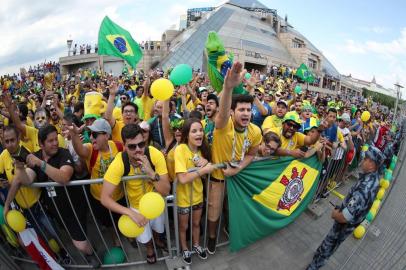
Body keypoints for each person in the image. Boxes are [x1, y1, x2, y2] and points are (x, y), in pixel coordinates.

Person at [13, 125, 99, 267]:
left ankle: (91, 253)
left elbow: (64, 177)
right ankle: (88, 248)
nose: (55, 143)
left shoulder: (63, 153)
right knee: (76, 237)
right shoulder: (37, 155)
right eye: (50, 141)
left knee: (80, 244)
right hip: (57, 210)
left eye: (55, 139)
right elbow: (27, 180)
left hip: (74, 206)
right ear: (41, 143)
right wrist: (21, 168)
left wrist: (41, 164)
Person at [208, 62, 262, 254]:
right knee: (213, 212)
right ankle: (212, 238)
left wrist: (237, 169)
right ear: (232, 112)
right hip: (218, 177)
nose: (246, 113)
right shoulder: (223, 125)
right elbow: (221, 114)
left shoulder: (256, 132)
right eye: (241, 110)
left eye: (248, 110)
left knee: (233, 208)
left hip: (237, 176)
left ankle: (229, 229)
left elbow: (252, 154)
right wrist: (228, 87)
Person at [101, 124, 170, 264]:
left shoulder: (154, 154)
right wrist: (130, 213)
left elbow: (166, 190)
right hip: (135, 207)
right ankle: (150, 249)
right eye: (132, 146)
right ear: (124, 146)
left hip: (155, 203)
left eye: (141, 144)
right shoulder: (120, 162)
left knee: (158, 229)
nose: (138, 149)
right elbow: (104, 198)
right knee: (144, 237)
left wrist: (151, 173)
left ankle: (157, 241)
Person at [307, 146, 385, 270]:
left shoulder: (366, 187)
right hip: (347, 220)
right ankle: (318, 255)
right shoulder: (372, 178)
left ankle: (314, 266)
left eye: (366, 159)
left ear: (372, 164)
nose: (363, 160)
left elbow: (345, 217)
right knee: (329, 244)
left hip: (344, 225)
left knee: (330, 245)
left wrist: (334, 214)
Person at [68, 118, 124, 229]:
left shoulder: (118, 146)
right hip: (99, 198)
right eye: (90, 134)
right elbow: (79, 150)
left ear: (107, 136)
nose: (91, 137)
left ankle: (127, 235)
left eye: (95, 134)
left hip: (119, 196)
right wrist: (74, 134)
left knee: (121, 218)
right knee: (108, 223)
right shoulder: (90, 149)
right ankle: (115, 239)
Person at [175, 118, 217, 264]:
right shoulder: (180, 149)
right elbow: (183, 179)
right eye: (194, 131)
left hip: (198, 196)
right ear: (186, 135)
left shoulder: (202, 150)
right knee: (183, 226)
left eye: (200, 130)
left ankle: (196, 245)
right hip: (183, 198)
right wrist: (204, 169)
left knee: (196, 224)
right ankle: (185, 248)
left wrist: (206, 163)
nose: (199, 133)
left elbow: (207, 173)